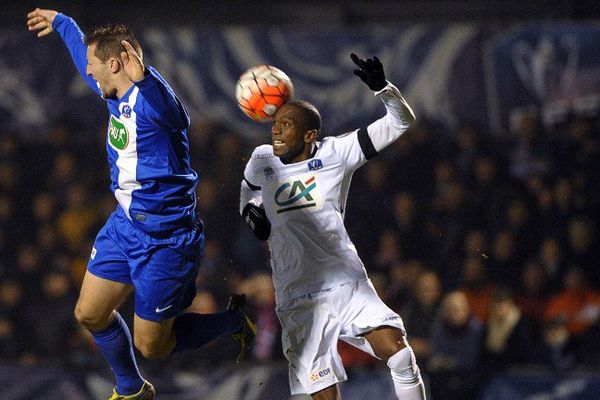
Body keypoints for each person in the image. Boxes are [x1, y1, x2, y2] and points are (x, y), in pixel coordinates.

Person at [27, 8, 255, 400]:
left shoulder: (154, 102)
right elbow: (86, 59)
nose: (89, 72)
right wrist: (63, 22)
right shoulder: (112, 91)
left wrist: (146, 78)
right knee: (88, 314)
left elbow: (176, 116)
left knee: (153, 346)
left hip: (167, 242)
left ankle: (232, 321)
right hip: (125, 226)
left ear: (115, 64)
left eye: (94, 66)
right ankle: (132, 389)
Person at [240, 54, 425, 399]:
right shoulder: (261, 161)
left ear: (310, 134)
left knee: (399, 352)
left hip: (345, 282)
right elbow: (248, 196)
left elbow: (401, 122)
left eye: (287, 124)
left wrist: (383, 89)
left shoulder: (337, 152)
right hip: (297, 296)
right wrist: (253, 216)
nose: (276, 129)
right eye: (275, 123)